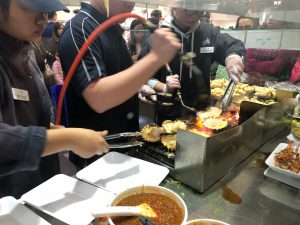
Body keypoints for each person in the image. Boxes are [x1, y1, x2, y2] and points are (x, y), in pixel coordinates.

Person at [0, 0, 110, 198]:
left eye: (45, 12)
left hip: (39, 184)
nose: (42, 20)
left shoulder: (27, 50)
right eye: (31, 8)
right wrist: (68, 138)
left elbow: (24, 117)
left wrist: (51, 130)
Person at [58, 0, 181, 168]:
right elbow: (98, 97)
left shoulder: (112, 27)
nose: (130, 3)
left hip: (122, 144)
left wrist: (141, 88)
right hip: (96, 153)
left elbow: (119, 74)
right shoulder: (80, 27)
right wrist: (156, 57)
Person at [140, 6, 246, 125]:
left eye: (200, 11)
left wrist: (233, 57)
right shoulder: (158, 37)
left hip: (202, 113)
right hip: (168, 113)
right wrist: (164, 87)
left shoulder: (209, 33)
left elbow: (231, 45)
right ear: (175, 7)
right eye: (189, 10)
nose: (195, 16)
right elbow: (144, 77)